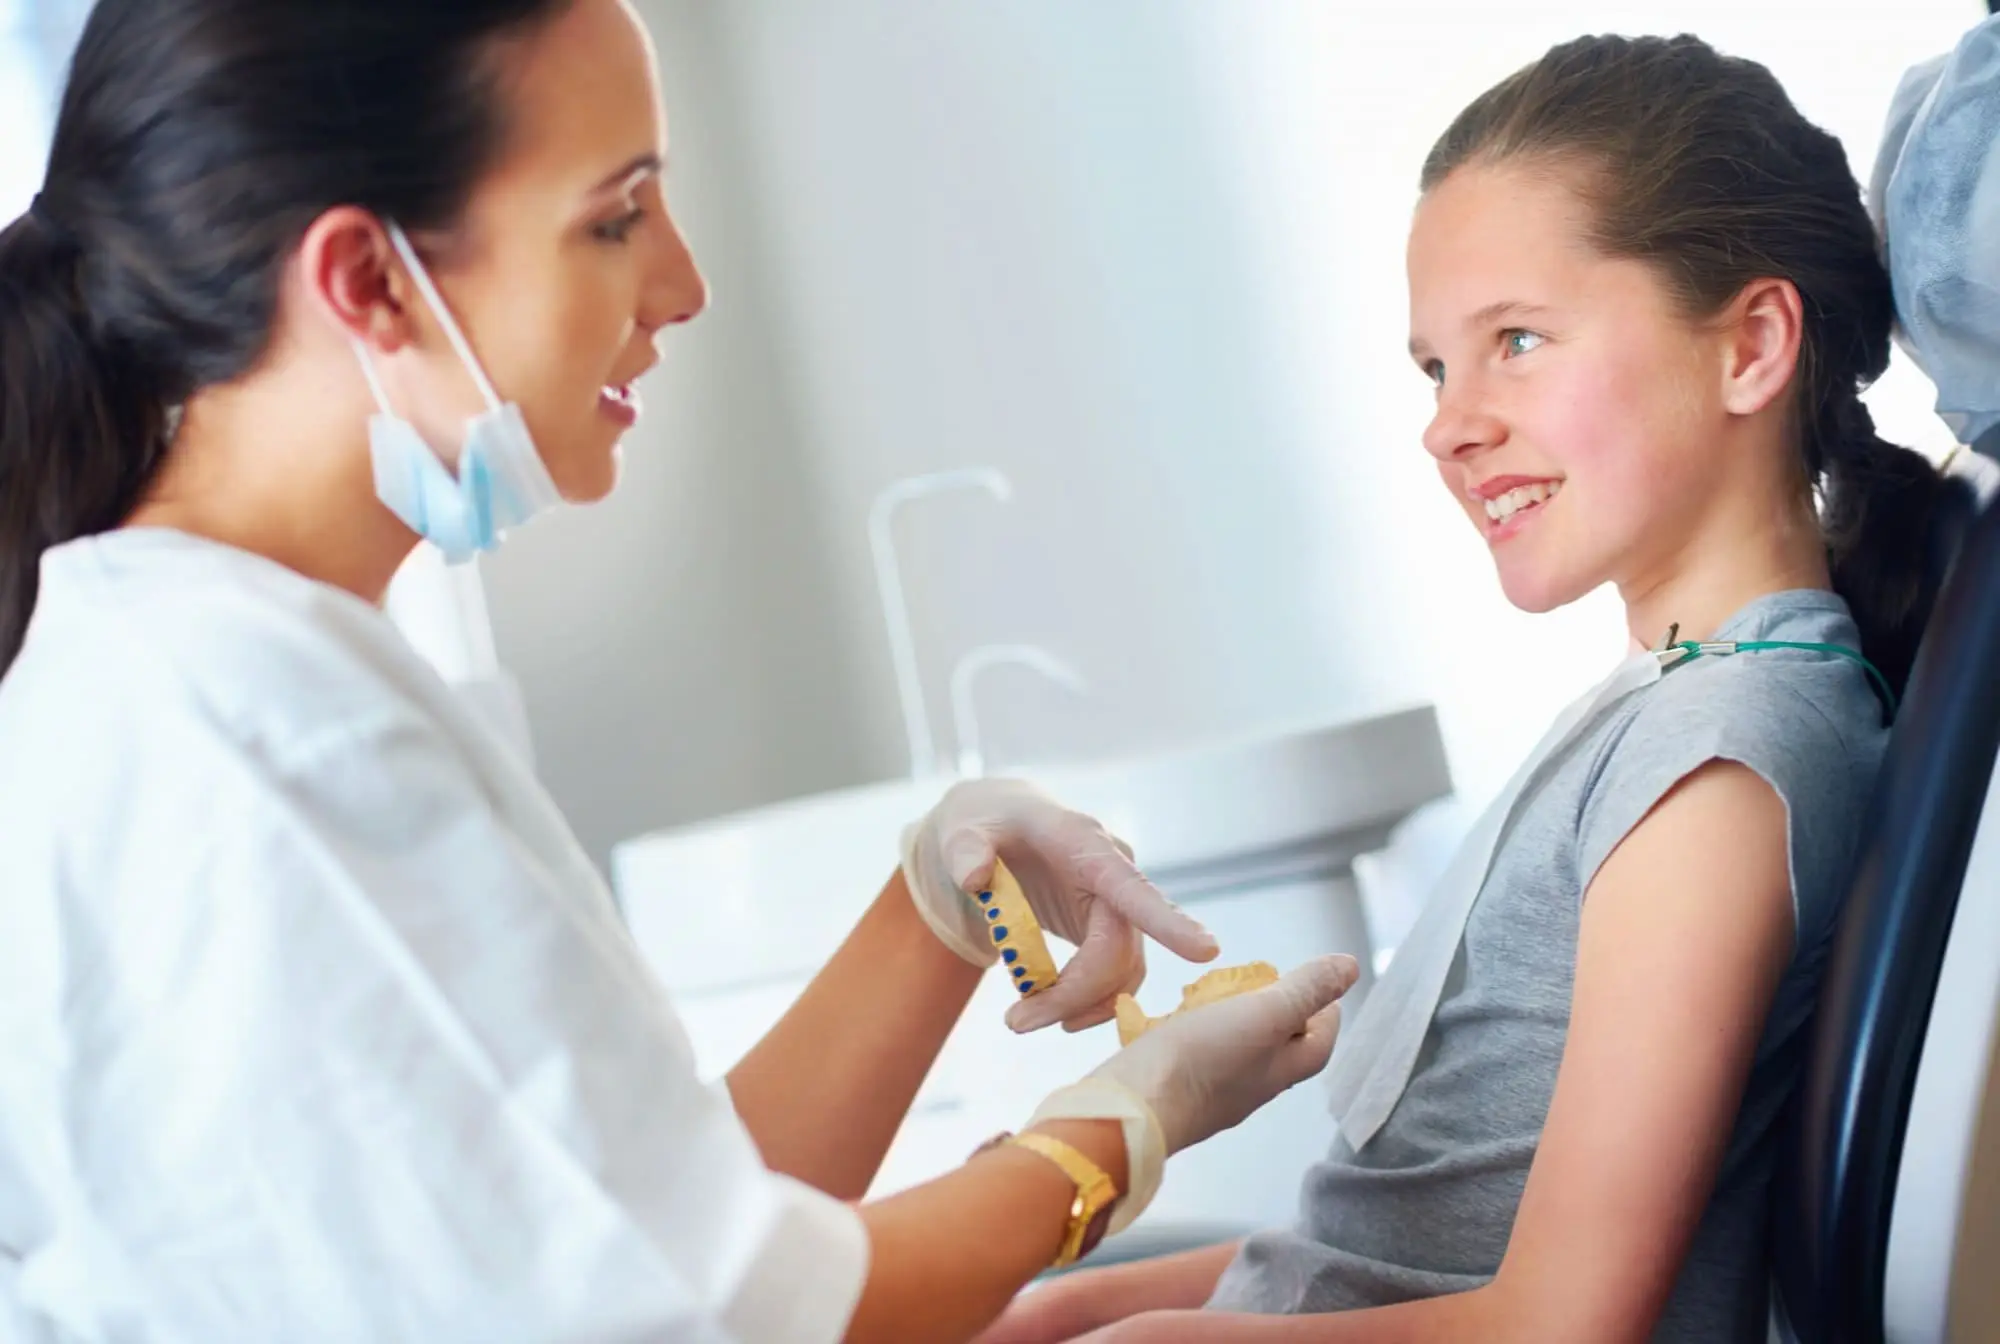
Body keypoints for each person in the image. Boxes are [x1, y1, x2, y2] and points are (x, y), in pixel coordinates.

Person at [0, 2, 1361, 1340]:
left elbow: (636, 1231)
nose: (684, 286)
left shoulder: (189, 668)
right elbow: (717, 1318)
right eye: (614, 218)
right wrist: (1131, 1123)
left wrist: (937, 904)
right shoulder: (268, 730)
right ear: (368, 281)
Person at [979, 33, 1951, 1344]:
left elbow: (1565, 1322)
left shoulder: (1719, 763)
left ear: (1753, 345)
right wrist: (1086, 1311)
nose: (1450, 421)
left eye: (1519, 340)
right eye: (1439, 366)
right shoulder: (1674, 695)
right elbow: (1360, 1251)